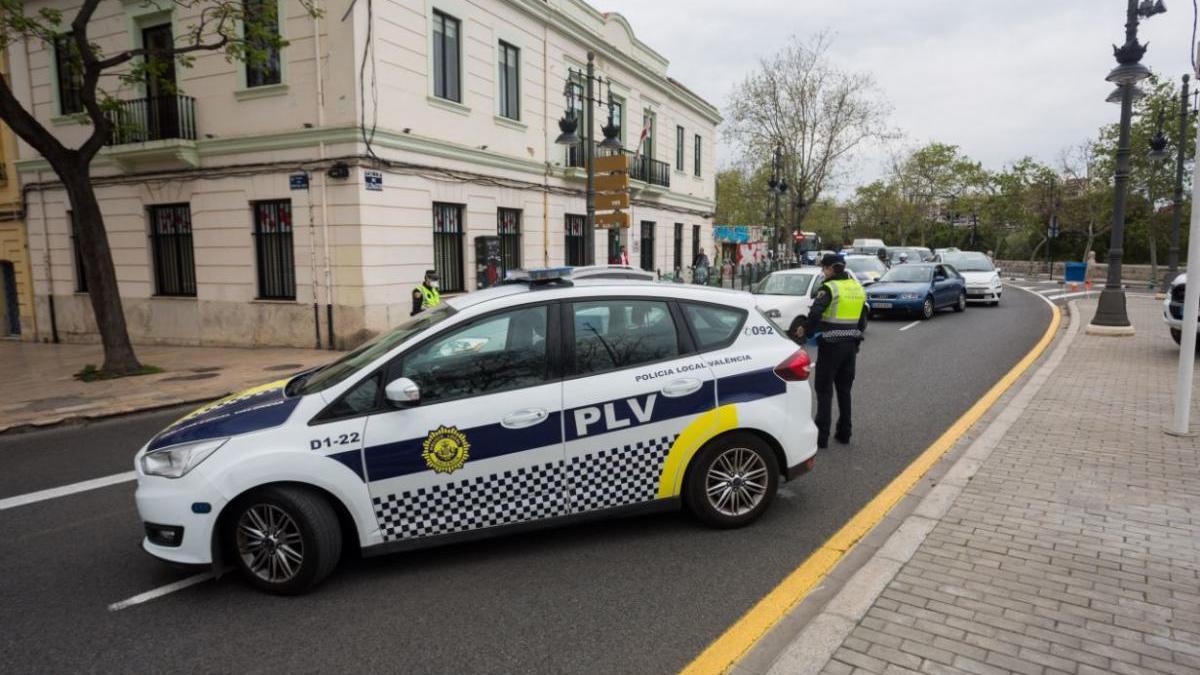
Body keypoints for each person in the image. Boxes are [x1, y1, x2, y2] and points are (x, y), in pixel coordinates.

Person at [792, 253, 867, 449]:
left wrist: (806, 330)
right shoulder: (857, 288)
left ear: (831, 269)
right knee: (844, 390)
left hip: (831, 346)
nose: (822, 273)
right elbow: (861, 319)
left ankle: (821, 437)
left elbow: (816, 312)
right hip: (850, 346)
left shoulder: (829, 288)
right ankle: (844, 433)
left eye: (823, 269)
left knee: (824, 391)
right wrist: (856, 339)